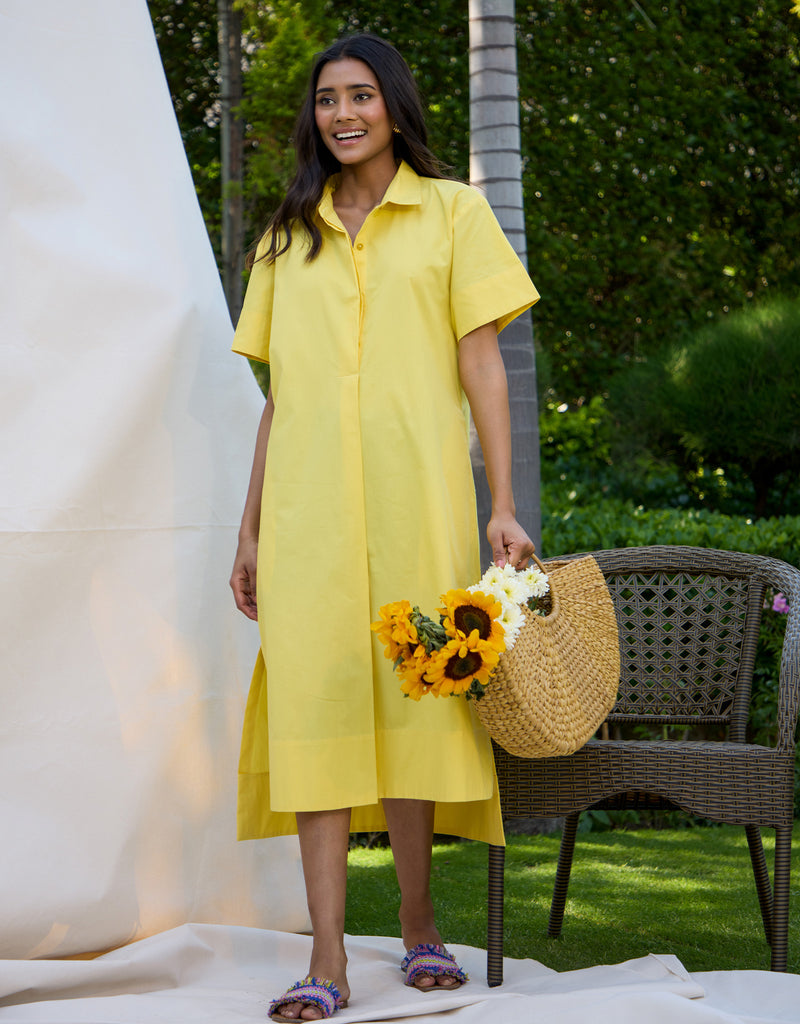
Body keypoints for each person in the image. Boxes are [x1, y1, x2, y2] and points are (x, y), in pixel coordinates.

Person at [229, 33, 539, 1022]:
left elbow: (481, 363)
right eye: (327, 99)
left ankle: (417, 924)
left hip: (420, 505)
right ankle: (325, 953)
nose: (342, 112)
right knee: (317, 719)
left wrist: (498, 501)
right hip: (305, 519)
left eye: (360, 94)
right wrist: (249, 532)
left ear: (393, 107)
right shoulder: (288, 235)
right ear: (313, 117)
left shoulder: (452, 213)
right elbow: (280, 396)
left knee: (416, 709)